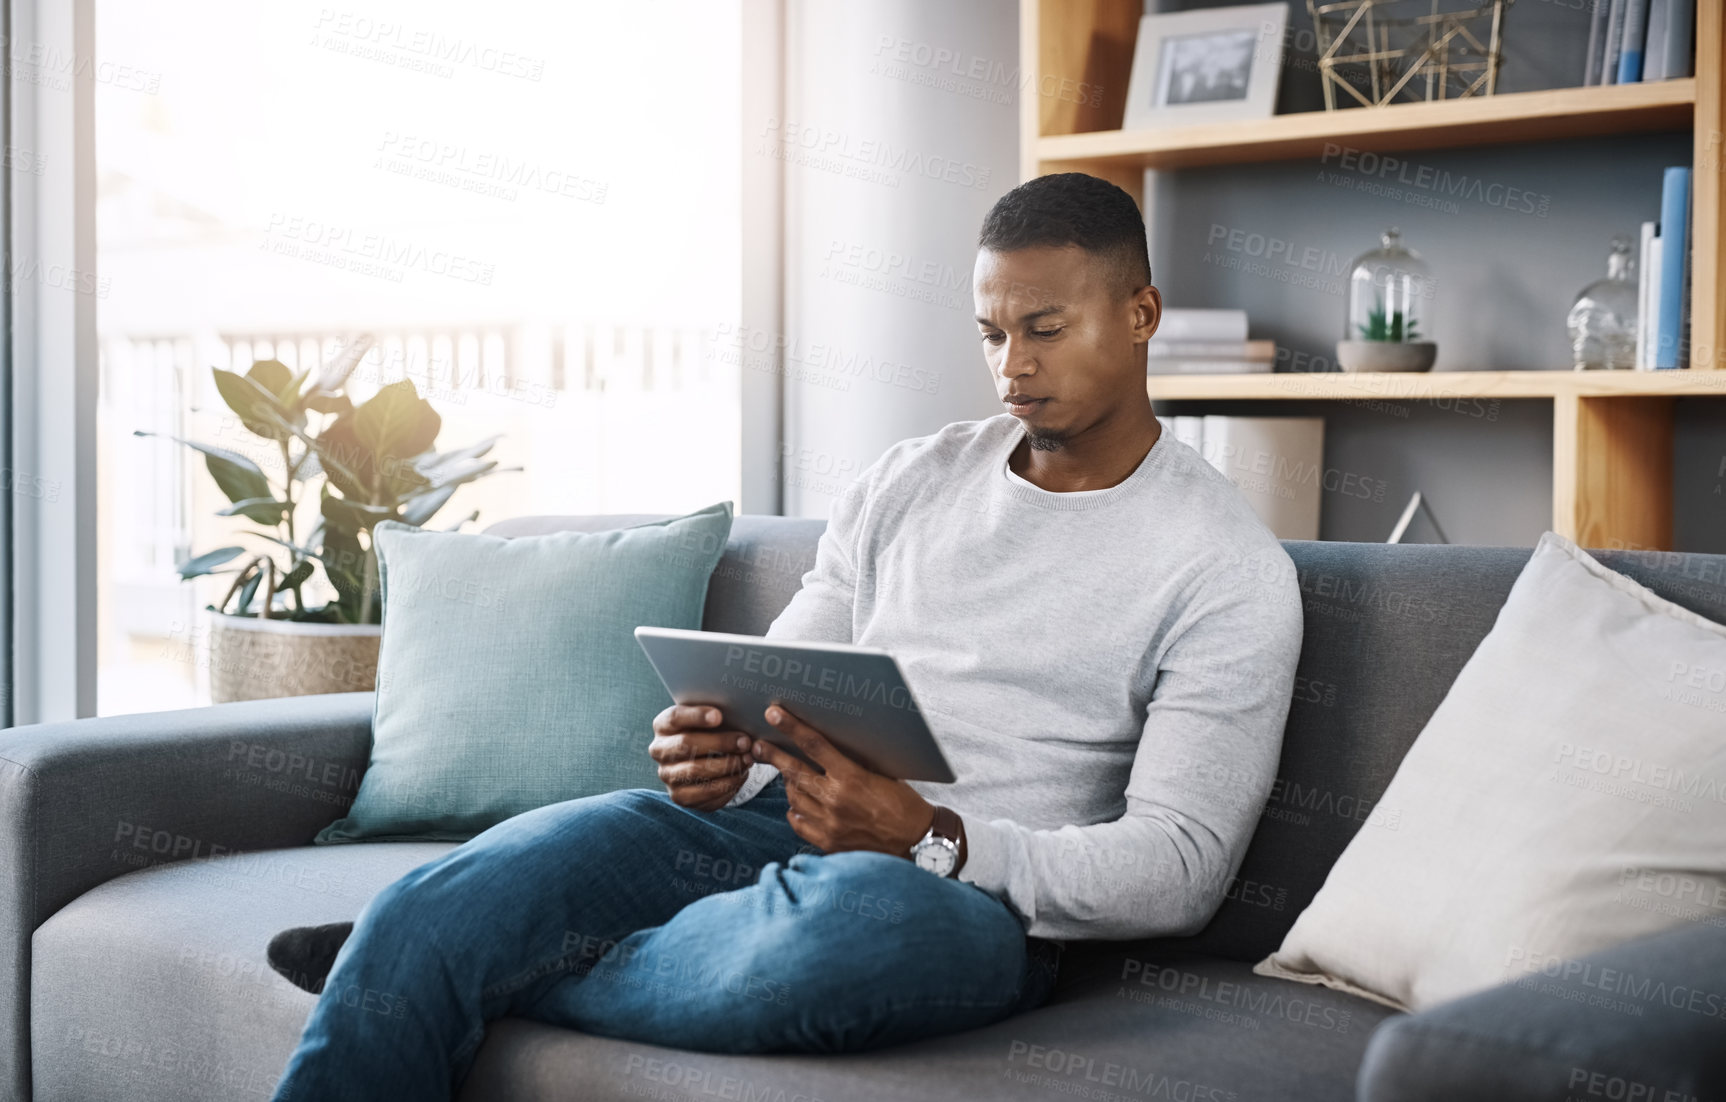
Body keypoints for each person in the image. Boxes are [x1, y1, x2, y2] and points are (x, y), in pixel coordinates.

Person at [267, 171, 1304, 1101]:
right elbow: (783, 679)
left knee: (836, 940)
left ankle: (435, 967)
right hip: (770, 831)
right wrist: (722, 750)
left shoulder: (1224, 567)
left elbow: (1178, 868)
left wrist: (927, 836)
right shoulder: (910, 478)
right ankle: (429, 943)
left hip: (960, 893)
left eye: (1044, 327)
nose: (1010, 367)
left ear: (1138, 314)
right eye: (990, 333)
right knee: (474, 877)